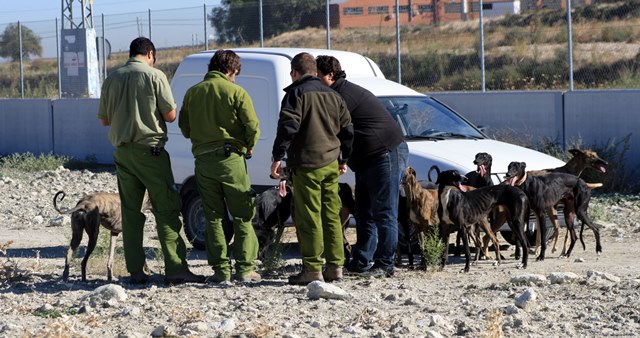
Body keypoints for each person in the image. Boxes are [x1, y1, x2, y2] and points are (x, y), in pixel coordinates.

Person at [98, 37, 205, 284]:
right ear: (150, 54)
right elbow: (170, 115)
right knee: (166, 210)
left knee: (131, 213)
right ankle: (176, 268)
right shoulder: (155, 76)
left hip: (122, 153)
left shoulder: (112, 78)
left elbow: (104, 120)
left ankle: (136, 270)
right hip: (151, 152)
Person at [316, 55, 408, 278]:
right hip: (367, 159)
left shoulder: (343, 95)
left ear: (329, 75)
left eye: (317, 76)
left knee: (384, 212)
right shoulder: (338, 93)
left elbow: (333, 130)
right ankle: (362, 261)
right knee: (364, 213)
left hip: (384, 153)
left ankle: (385, 264)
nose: (315, 82)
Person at [270, 52, 354, 285]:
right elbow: (348, 129)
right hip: (330, 164)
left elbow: (289, 127)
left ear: (294, 73)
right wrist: (343, 159)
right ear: (316, 72)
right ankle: (335, 267)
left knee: (309, 217)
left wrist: (278, 156)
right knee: (331, 215)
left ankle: (312, 269)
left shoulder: (296, 93)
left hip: (307, 164)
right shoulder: (333, 94)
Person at [179, 50, 262, 283]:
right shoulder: (237, 92)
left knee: (213, 216)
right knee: (242, 214)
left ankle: (220, 271)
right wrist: (249, 146)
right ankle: (245, 269)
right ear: (231, 70)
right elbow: (253, 127)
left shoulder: (192, 93)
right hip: (231, 160)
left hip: (204, 162)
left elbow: (185, 129)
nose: (235, 78)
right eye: (236, 74)